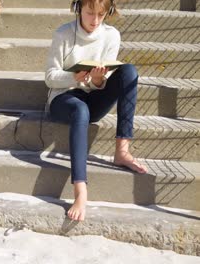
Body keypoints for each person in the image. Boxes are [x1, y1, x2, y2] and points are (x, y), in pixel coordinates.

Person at [44, 0, 148, 222]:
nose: (95, 20)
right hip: (64, 98)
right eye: (90, 12)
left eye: (101, 14)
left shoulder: (111, 35)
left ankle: (122, 150)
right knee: (80, 110)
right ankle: (80, 191)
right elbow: (50, 77)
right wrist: (73, 77)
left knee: (129, 71)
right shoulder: (63, 33)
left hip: (93, 98)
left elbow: (105, 80)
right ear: (79, 7)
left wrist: (99, 79)